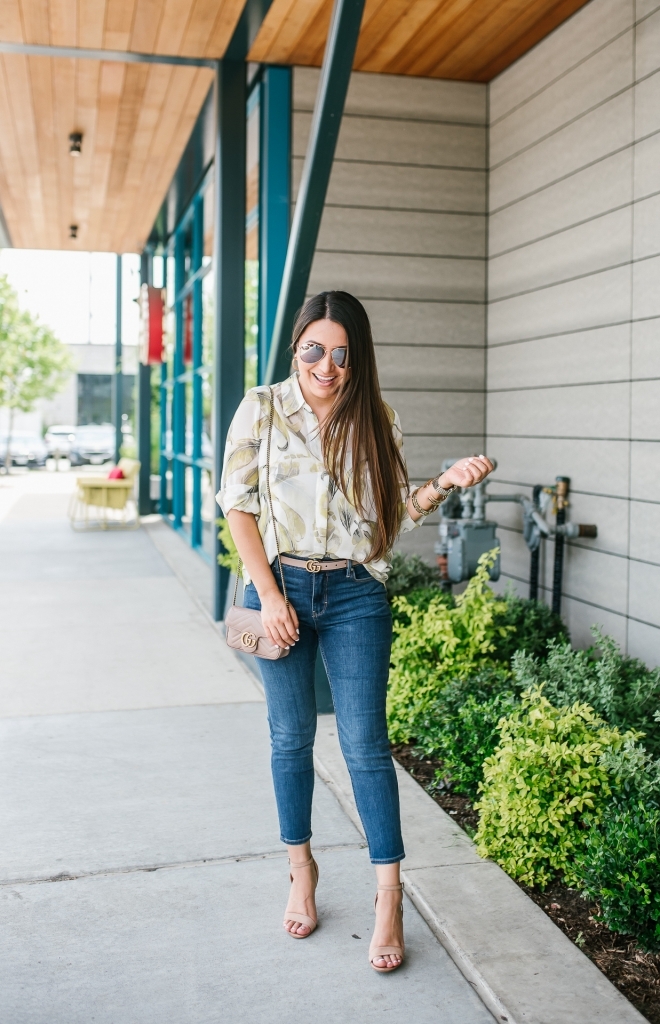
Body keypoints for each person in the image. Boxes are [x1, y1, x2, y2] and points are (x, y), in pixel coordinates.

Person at [217, 290, 493, 972]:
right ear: (296, 348)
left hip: (354, 593)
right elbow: (237, 506)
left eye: (342, 353)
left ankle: (389, 897)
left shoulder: (377, 417)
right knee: (290, 737)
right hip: (276, 583)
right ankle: (301, 870)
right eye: (315, 349)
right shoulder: (262, 408)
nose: (327, 365)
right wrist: (272, 595)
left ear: (356, 357)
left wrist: (443, 484)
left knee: (366, 744)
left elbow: (391, 515)